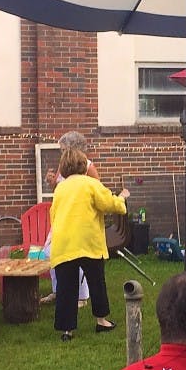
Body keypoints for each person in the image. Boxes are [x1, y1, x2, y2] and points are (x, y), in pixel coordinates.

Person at [49, 146, 128, 341]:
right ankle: (101, 321)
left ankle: (67, 331)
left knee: (66, 288)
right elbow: (109, 204)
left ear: (64, 168)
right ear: (84, 166)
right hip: (88, 242)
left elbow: (54, 214)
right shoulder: (91, 184)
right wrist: (122, 198)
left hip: (64, 244)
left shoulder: (60, 189)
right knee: (96, 282)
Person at [41, 131, 99, 305]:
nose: (61, 152)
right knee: (52, 252)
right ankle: (58, 290)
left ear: (73, 148)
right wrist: (51, 181)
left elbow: (98, 192)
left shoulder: (87, 167)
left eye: (63, 149)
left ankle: (81, 296)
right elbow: (58, 188)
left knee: (77, 256)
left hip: (79, 219)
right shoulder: (64, 165)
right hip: (62, 218)